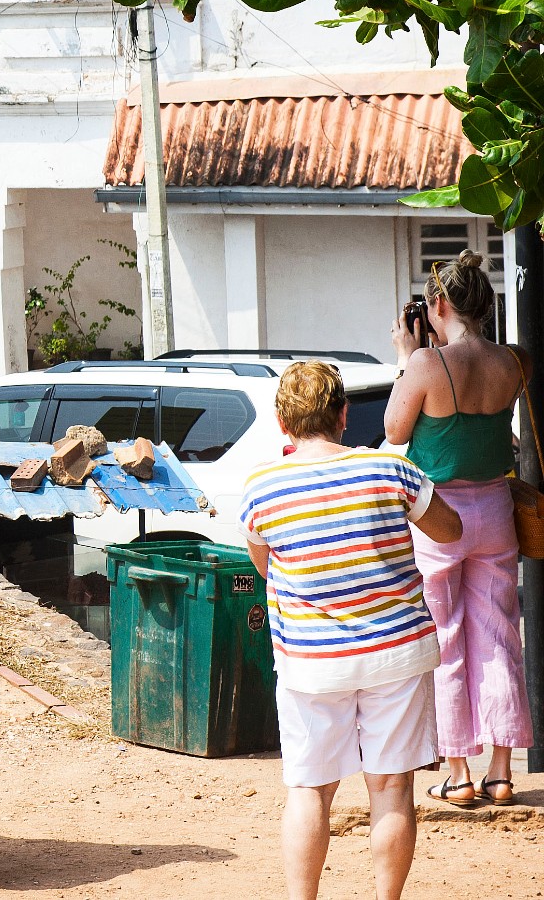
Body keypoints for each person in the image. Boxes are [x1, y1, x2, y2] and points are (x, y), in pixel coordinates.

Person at [246, 360, 465, 900]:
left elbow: (265, 566)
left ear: (282, 423)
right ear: (345, 415)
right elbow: (451, 528)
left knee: (309, 792)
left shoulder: (261, 488)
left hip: (310, 662)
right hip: (396, 652)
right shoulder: (389, 471)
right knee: (392, 789)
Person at [385, 250, 534, 807]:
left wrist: (407, 353)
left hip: (438, 513)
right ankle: (501, 772)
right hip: (495, 508)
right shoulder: (513, 364)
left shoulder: (427, 364)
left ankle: (458, 771)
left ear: (439, 304)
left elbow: (395, 432)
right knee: (498, 636)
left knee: (445, 638)